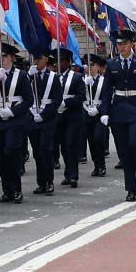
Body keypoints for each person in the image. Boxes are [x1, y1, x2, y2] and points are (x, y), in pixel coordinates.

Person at [99, 28, 136, 202]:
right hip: (118, 111)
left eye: (124, 43)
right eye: (118, 44)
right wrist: (104, 112)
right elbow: (106, 91)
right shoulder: (111, 64)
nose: (121, 47)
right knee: (124, 152)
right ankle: (131, 188)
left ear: (132, 43)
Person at [0, 42, 33, 203]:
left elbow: (28, 100)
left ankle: (16, 189)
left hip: (14, 120)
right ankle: (7, 190)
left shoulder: (21, 75)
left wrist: (12, 111)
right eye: (0, 56)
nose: (2, 59)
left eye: (4, 56)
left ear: (11, 58)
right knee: (0, 155)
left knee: (11, 152)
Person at [28, 49, 62, 196]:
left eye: (39, 59)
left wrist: (44, 115)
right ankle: (41, 183)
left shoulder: (53, 77)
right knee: (36, 152)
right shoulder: (30, 76)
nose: (36, 62)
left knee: (45, 150)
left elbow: (57, 100)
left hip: (47, 119)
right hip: (33, 117)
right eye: (35, 59)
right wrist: (28, 77)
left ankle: (49, 182)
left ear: (46, 59)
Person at [55, 48, 85, 188]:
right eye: (57, 61)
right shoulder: (53, 77)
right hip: (59, 117)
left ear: (68, 62)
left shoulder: (77, 77)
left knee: (70, 144)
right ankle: (68, 172)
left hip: (73, 116)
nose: (58, 64)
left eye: (61, 61)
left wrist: (65, 102)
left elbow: (81, 97)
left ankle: (74, 175)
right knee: (63, 146)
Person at [82, 53, 109, 176]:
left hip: (100, 114)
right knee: (91, 141)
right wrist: (84, 85)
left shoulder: (104, 80)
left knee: (98, 138)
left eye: (92, 65)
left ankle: (102, 164)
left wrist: (98, 110)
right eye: (88, 65)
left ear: (98, 66)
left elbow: (107, 98)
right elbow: (79, 96)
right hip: (86, 112)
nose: (90, 67)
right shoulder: (83, 80)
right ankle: (96, 165)